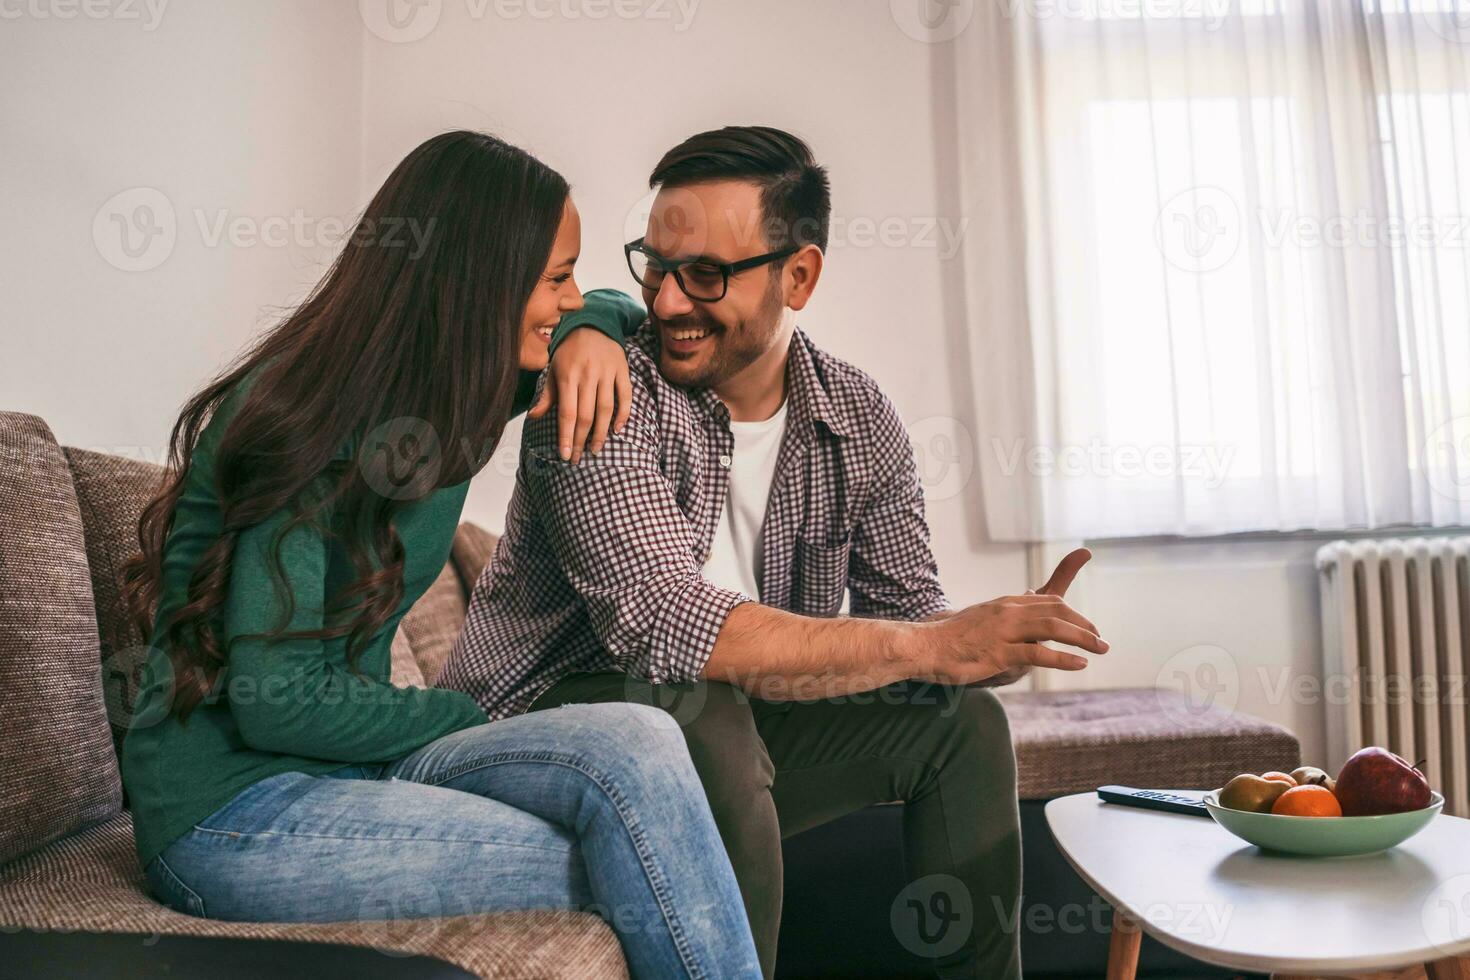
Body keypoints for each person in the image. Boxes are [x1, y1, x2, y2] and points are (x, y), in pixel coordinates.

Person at [442, 126, 1109, 979]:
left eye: (708, 275)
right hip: (529, 730)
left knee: (960, 725)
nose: (671, 302)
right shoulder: (597, 390)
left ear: (799, 275)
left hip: (719, 744)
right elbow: (663, 624)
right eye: (656, 264)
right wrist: (930, 644)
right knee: (700, 711)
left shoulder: (856, 417)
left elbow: (909, 628)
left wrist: (990, 645)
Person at [119, 129, 762, 979]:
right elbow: (277, 704)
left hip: (349, 765)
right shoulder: (299, 419)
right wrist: (476, 718)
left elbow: (637, 316)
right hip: (233, 815)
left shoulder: (455, 392)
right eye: (555, 279)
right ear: (479, 285)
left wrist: (588, 330)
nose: (570, 297)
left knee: (640, 741)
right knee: (635, 853)